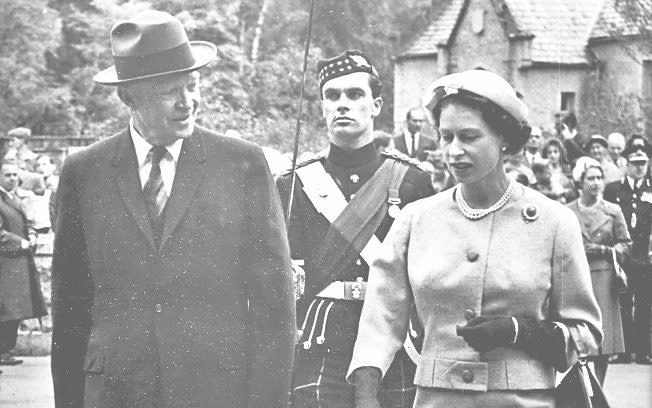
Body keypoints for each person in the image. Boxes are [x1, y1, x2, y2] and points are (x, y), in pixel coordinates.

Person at [51, 10, 295, 408]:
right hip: (115, 393)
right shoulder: (84, 172)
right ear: (128, 96)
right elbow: (70, 307)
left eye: (193, 85)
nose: (188, 102)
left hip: (218, 393)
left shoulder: (243, 164)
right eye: (169, 90)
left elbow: (275, 307)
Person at [347, 69, 602, 408]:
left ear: (504, 139)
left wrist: (518, 331)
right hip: (437, 400)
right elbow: (381, 317)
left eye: (469, 136)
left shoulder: (555, 222)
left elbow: (587, 334)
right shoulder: (416, 219)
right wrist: (366, 386)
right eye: (445, 136)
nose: (453, 151)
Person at [276, 49, 435, 408]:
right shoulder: (293, 185)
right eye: (332, 96)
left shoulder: (413, 182)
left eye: (355, 94)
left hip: (394, 334)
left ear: (377, 105)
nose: (342, 104)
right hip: (320, 334)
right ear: (321, 107)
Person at [567, 164, 631, 384]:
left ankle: (599, 390)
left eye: (599, 178)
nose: (595, 182)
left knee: (603, 341)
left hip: (603, 278)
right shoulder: (567, 211)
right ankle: (580, 389)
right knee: (577, 336)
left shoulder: (613, 211)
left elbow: (626, 245)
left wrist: (603, 250)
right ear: (580, 182)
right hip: (576, 277)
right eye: (590, 178)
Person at [604, 145, 652, 365]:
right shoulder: (614, 190)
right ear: (626, 164)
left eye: (643, 163)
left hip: (645, 254)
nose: (640, 168)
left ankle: (643, 350)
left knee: (644, 302)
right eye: (635, 163)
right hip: (622, 253)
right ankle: (624, 350)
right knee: (622, 300)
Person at [0, 161, 47, 369]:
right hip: (5, 263)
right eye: (7, 175)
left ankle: (6, 350)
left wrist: (32, 234)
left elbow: (26, 222)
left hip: (17, 262)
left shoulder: (13, 198)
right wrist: (21, 242)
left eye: (14, 175)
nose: (12, 178)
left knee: (15, 309)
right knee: (6, 309)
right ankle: (2, 350)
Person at [540, 139, 576, 203]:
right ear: (546, 155)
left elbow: (573, 192)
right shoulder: (543, 172)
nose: (553, 155)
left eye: (555, 152)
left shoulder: (567, 170)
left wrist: (564, 195)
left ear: (560, 153)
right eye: (549, 152)